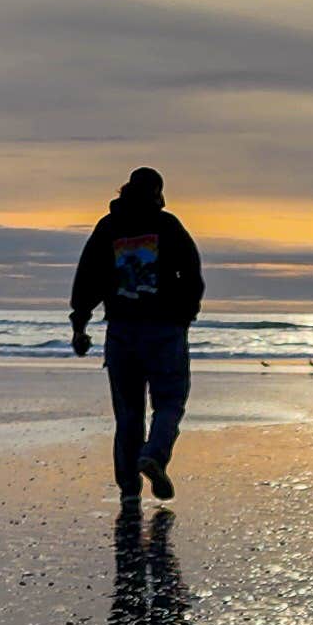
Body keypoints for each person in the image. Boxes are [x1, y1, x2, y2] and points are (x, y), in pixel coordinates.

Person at [69, 166, 202, 501]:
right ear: (157, 193)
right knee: (170, 402)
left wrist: (80, 324)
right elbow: (191, 273)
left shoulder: (109, 227)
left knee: (128, 415)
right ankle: (154, 455)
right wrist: (185, 316)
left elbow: (88, 278)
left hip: (122, 333)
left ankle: (129, 490)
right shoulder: (167, 225)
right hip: (164, 332)